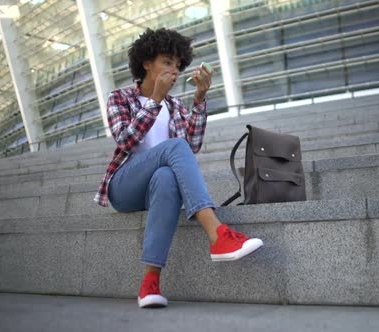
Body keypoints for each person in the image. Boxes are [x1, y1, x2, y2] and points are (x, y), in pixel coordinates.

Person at [94, 28, 263, 309]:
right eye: (166, 62)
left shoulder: (176, 105)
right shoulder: (120, 98)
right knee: (174, 148)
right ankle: (217, 233)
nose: (173, 70)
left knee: (166, 176)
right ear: (147, 63)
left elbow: (192, 145)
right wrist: (154, 100)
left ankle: (150, 283)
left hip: (156, 187)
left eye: (176, 64)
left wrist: (199, 99)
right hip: (124, 186)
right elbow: (125, 140)